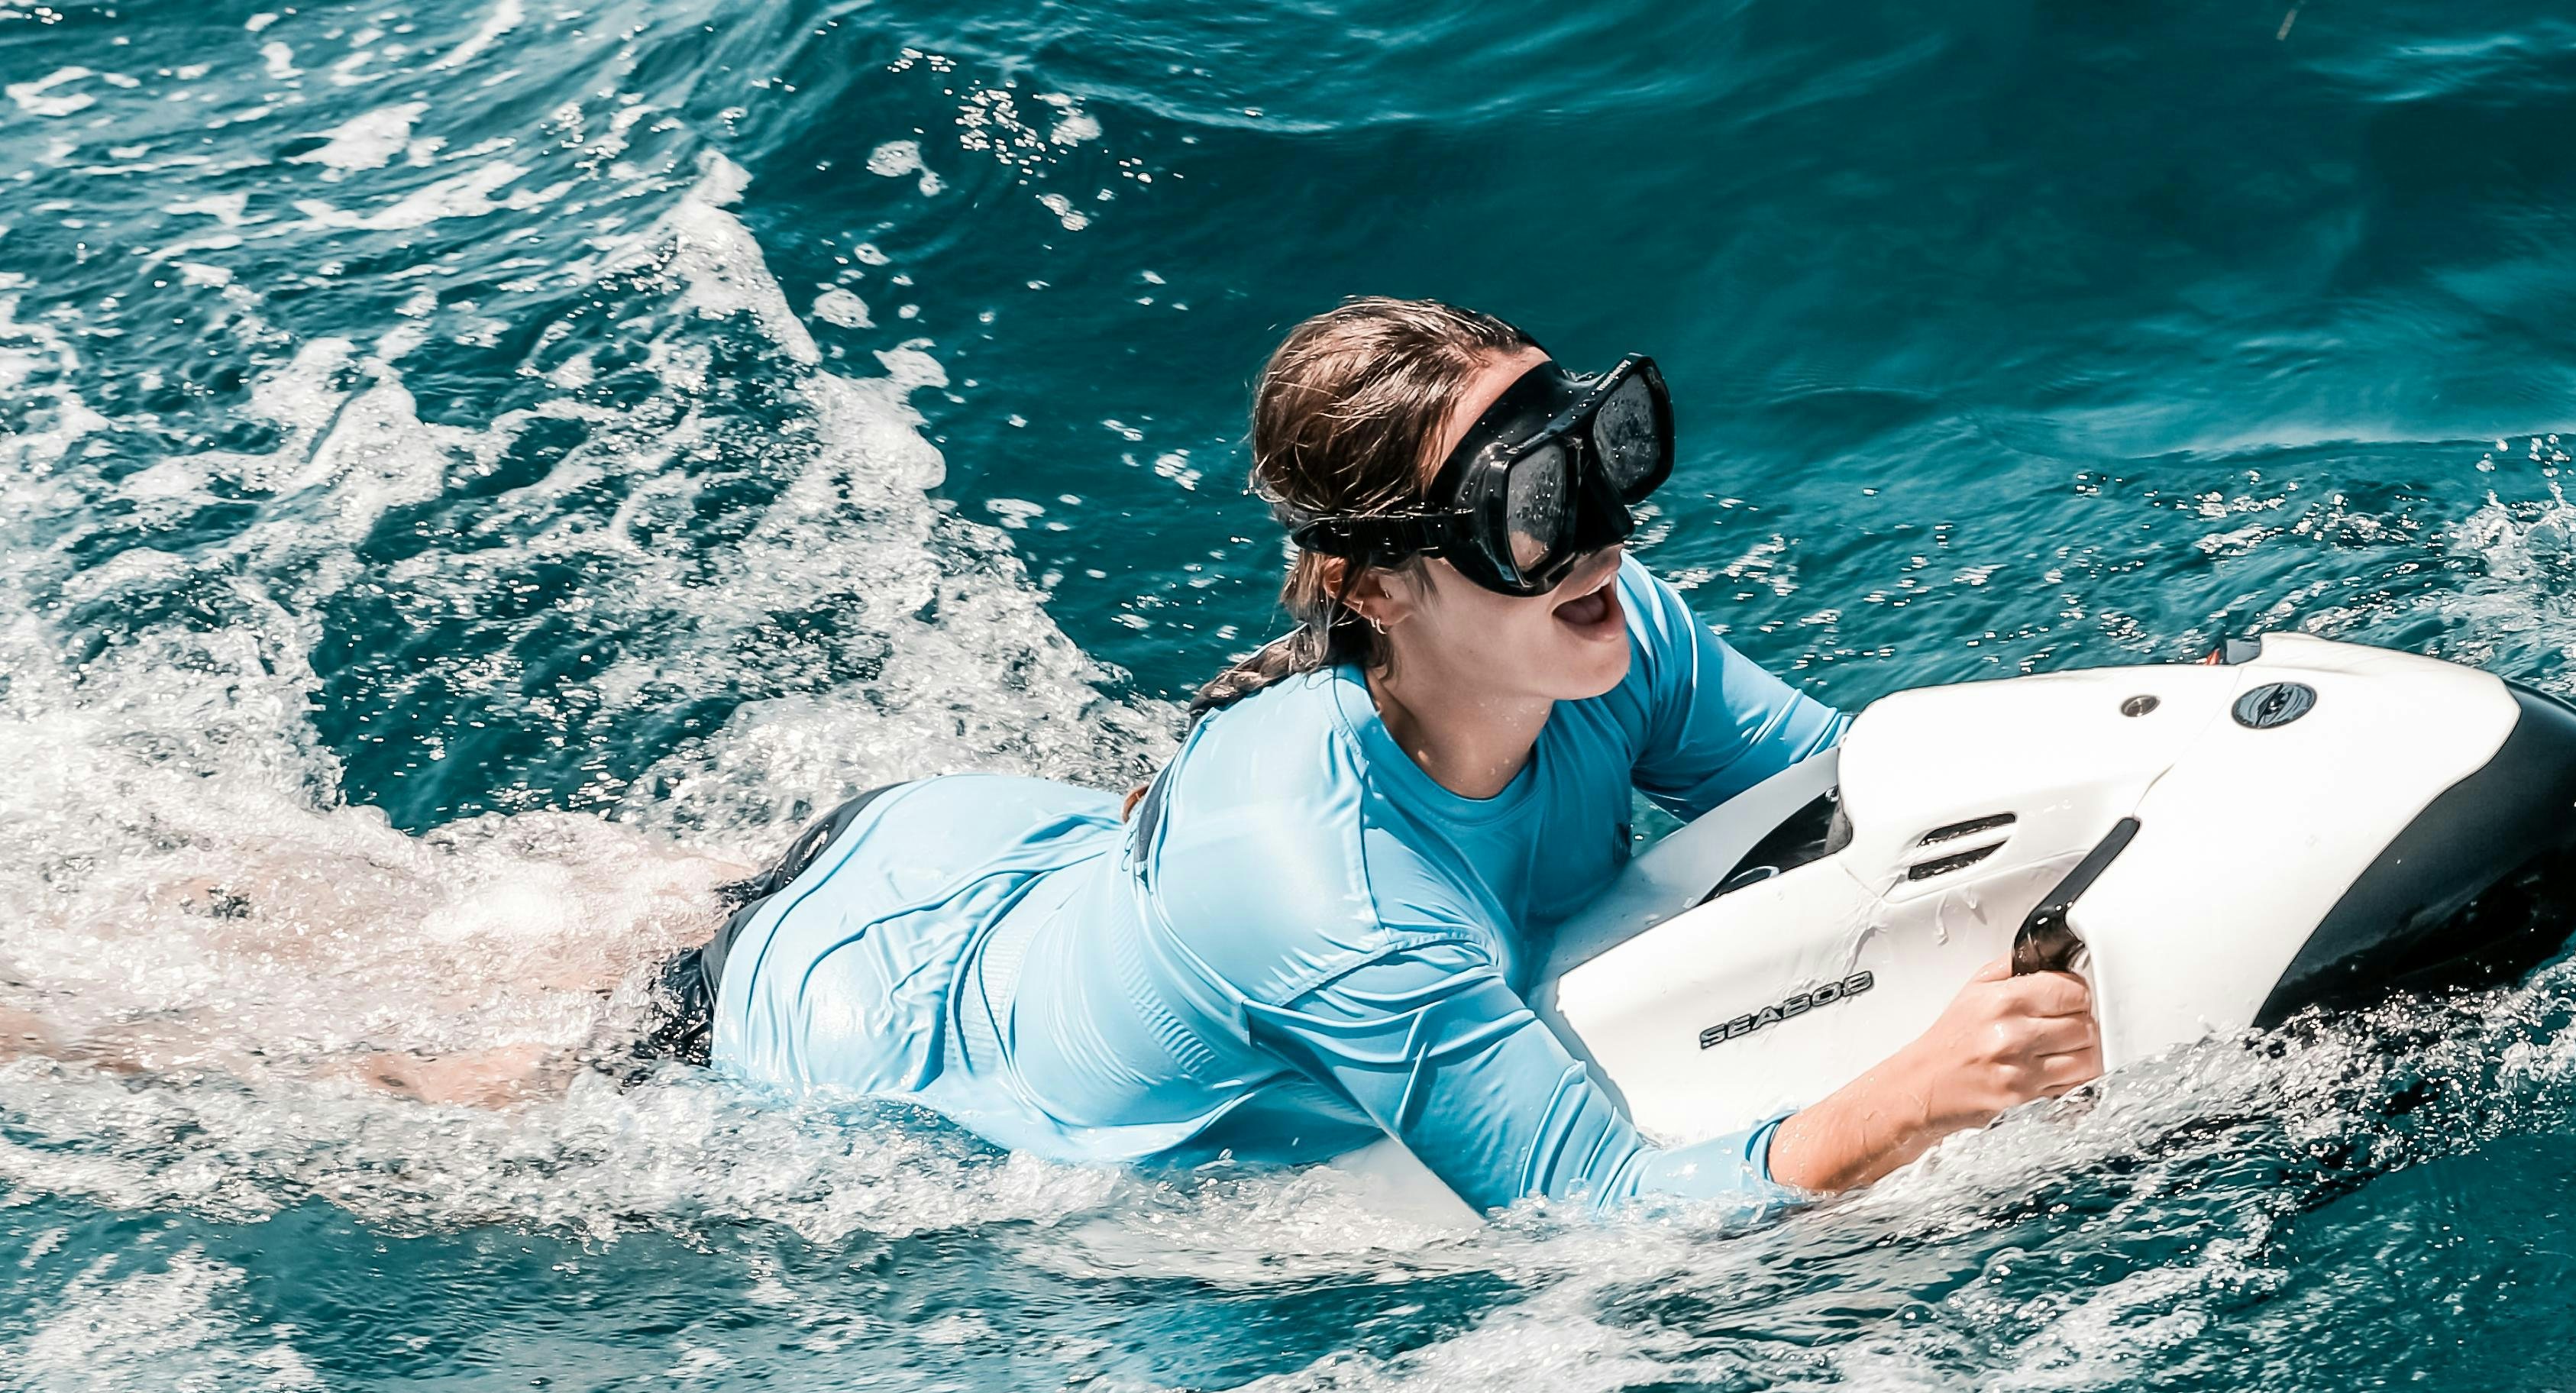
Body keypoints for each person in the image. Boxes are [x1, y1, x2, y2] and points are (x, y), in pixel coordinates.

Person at [642, 298, 2104, 1214]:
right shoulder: (1332, 900)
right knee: (540, 1020)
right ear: (1376, 585)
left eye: (1605, 454)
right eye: (1534, 511)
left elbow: (1854, 794)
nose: (1604, 533)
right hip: (841, 1012)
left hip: (982, 838)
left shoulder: (1616, 633)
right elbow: (1588, 1211)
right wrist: (1912, 1095)